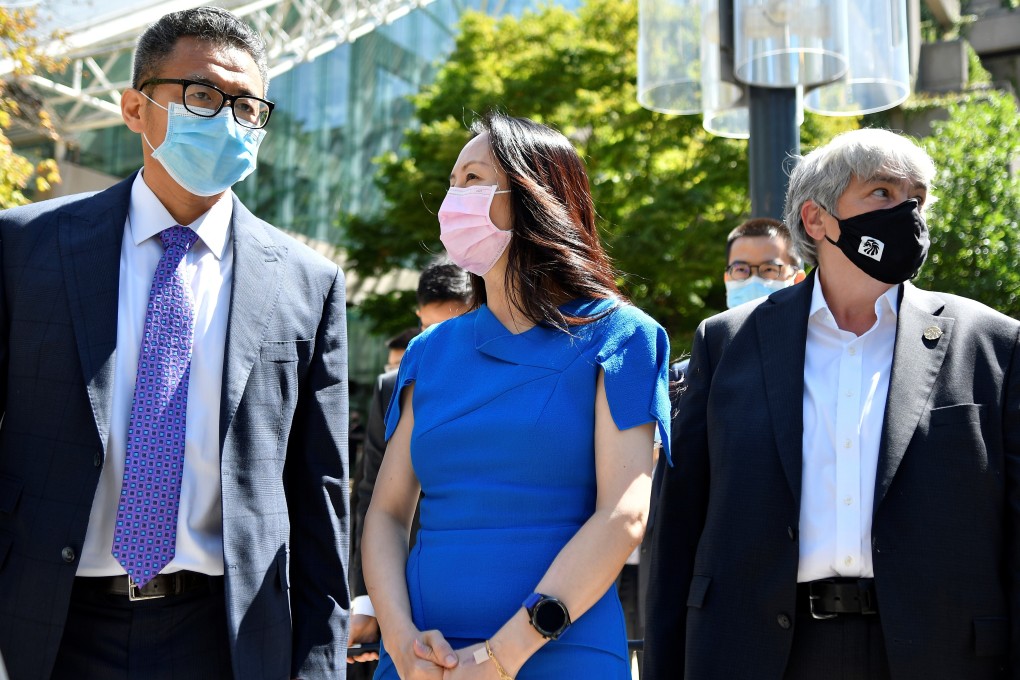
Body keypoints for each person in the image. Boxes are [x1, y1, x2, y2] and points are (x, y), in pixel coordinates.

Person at [0, 8, 349, 679]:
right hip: (48, 628)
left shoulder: (309, 284)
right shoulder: (24, 249)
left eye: (247, 107)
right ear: (135, 107)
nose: (226, 119)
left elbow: (320, 505)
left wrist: (318, 666)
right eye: (201, 95)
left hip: (223, 637)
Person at [643, 127, 1020, 680]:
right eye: (883, 194)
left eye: (916, 199)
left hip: (939, 653)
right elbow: (677, 531)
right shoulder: (726, 343)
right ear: (818, 220)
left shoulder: (992, 344)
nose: (907, 214)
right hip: (758, 654)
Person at [362, 112, 671, 680]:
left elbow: (623, 514)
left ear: (535, 197)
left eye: (473, 179)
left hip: (561, 654)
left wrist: (502, 656)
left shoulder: (623, 336)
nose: (452, 199)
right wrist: (401, 641)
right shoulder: (429, 352)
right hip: (422, 664)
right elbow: (385, 514)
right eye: (452, 182)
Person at [348, 258, 473, 673]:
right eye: (429, 328)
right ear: (418, 317)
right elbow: (371, 497)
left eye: (452, 325)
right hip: (404, 584)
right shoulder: (393, 388)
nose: (439, 342)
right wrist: (367, 600)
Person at [723, 217, 806, 309]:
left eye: (769, 269)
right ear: (726, 278)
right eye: (741, 269)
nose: (754, 281)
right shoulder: (710, 323)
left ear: (798, 280)